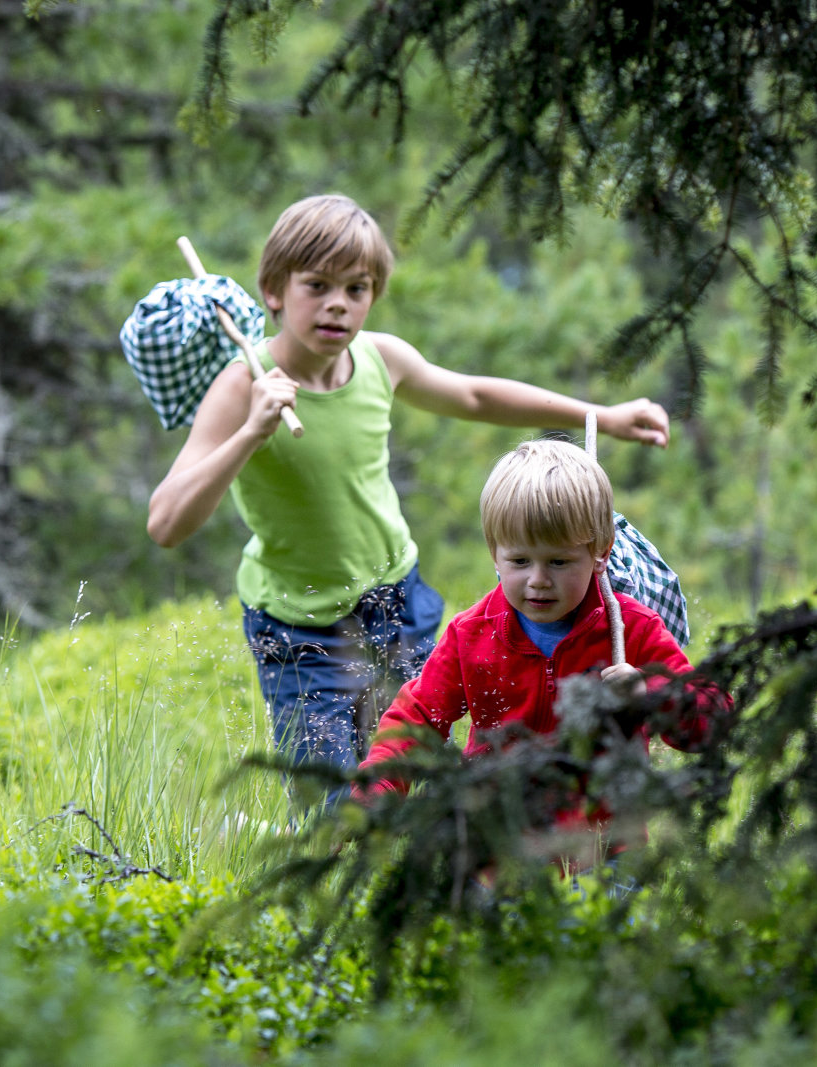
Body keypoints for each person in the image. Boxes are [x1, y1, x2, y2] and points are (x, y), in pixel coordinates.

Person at [146, 194, 670, 793]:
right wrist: (249, 432)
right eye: (317, 286)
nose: (338, 304)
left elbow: (474, 396)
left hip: (395, 602)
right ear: (273, 291)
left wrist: (602, 416)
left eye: (357, 288)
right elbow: (166, 523)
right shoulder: (244, 386)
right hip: (297, 626)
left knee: (409, 772)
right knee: (330, 802)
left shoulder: (379, 358)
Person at [357, 439, 731, 864]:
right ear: (494, 553)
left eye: (558, 562)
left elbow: (711, 720)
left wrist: (651, 694)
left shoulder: (630, 629)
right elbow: (419, 716)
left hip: (608, 850)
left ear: (600, 553)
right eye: (520, 561)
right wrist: (375, 794)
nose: (538, 579)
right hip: (497, 849)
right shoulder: (472, 634)